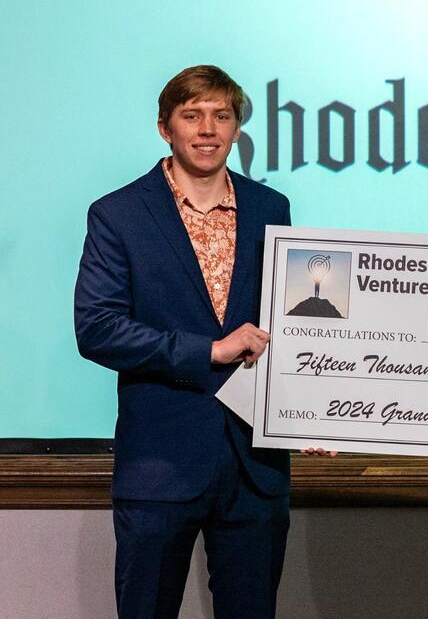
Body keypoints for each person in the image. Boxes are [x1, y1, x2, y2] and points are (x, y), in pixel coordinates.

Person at [75, 65, 292, 618]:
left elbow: (293, 322)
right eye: (191, 115)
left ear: (238, 129)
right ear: (164, 127)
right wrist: (207, 351)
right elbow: (97, 328)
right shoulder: (117, 214)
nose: (207, 128)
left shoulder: (272, 208)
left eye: (222, 116)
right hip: (160, 463)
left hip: (255, 466)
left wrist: (312, 409)